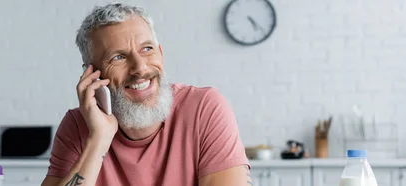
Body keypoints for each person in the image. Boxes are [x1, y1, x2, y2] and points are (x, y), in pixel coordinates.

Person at [41, 3, 251, 186]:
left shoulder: (204, 109)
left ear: (160, 53)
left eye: (147, 49)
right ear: (91, 74)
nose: (140, 68)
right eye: (118, 57)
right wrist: (98, 141)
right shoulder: (78, 126)